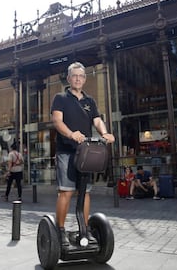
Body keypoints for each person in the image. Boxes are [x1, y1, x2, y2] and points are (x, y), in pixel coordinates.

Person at [51, 62, 115, 245]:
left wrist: (105, 133)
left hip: (85, 153)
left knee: (85, 192)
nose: (78, 79)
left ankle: (84, 230)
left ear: (85, 79)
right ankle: (60, 231)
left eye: (81, 76)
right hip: (66, 152)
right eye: (74, 76)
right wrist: (71, 134)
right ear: (69, 78)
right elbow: (57, 121)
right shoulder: (60, 98)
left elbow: (97, 120)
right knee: (66, 192)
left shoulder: (90, 101)